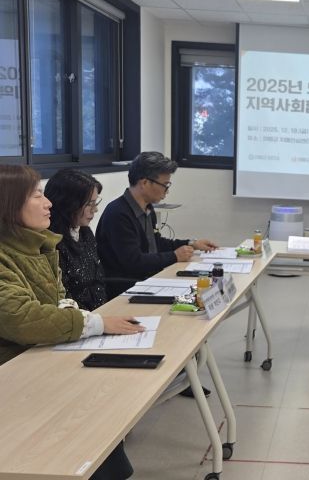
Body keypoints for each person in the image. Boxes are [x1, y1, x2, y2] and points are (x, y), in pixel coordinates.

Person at [0, 164, 143, 480]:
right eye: (37, 195)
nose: (47, 203)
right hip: (16, 375)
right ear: (9, 204)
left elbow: (60, 296)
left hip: (43, 357)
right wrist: (95, 324)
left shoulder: (40, 244)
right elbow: (22, 318)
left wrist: (76, 315)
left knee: (102, 414)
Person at [96, 152, 218, 297]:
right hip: (127, 289)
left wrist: (191, 243)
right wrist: (174, 256)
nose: (167, 191)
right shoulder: (118, 214)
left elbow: (155, 243)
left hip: (149, 281)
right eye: (165, 185)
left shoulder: (147, 208)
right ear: (144, 183)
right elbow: (133, 262)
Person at [45, 169, 107, 311]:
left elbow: (99, 280)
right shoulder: (52, 243)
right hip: (78, 318)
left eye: (96, 202)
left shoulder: (85, 233)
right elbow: (64, 298)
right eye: (89, 204)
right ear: (68, 204)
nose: (95, 209)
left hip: (100, 312)